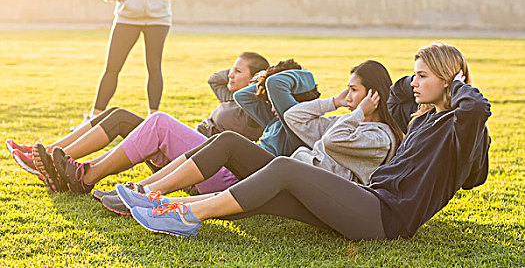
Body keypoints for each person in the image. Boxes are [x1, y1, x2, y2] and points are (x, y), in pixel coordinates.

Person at [116, 42, 491, 240]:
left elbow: (475, 109)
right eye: (414, 75)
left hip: (387, 217)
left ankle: (185, 215)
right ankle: (161, 203)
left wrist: (455, 80)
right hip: (369, 202)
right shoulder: (424, 119)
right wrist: (427, 81)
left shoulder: (461, 128)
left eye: (423, 76)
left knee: (284, 168)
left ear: (448, 80)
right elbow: (393, 92)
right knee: (274, 191)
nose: (413, 83)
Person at [113, 60, 402, 224]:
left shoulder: (379, 137)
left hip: (312, 194)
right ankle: (151, 194)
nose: (348, 97)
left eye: (353, 91)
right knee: (228, 141)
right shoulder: (343, 119)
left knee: (254, 175)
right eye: (347, 90)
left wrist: (359, 112)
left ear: (373, 95)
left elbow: (335, 140)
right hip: (289, 174)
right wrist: (333, 102)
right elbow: (295, 118)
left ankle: (165, 205)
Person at [12, 52, 268, 195]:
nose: (231, 75)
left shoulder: (255, 110)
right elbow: (214, 79)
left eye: (238, 71)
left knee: (158, 121)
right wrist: (235, 72)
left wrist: (260, 82)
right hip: (186, 152)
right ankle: (50, 156)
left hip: (208, 168)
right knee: (119, 115)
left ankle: (85, 175)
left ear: (255, 79)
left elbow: (254, 105)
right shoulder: (231, 97)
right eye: (231, 70)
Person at [95, 59, 321, 215]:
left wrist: (285, 77)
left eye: (275, 101)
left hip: (240, 182)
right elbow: (244, 96)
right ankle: (137, 190)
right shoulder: (275, 121)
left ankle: (140, 192)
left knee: (161, 122)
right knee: (162, 123)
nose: (271, 106)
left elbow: (276, 85)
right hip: (230, 171)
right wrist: (264, 76)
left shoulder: (297, 123)